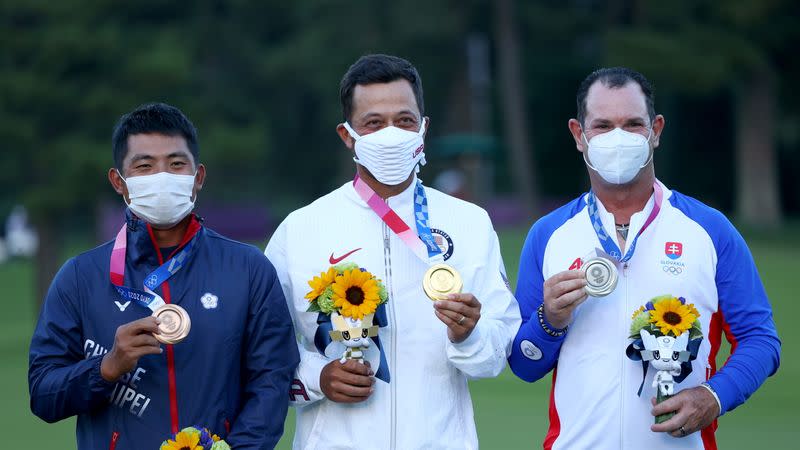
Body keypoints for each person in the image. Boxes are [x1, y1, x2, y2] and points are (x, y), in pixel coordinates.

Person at [507, 67, 781, 449]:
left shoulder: (709, 230)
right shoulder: (548, 235)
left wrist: (713, 397)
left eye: (633, 124)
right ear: (578, 135)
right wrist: (549, 321)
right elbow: (523, 365)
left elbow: (761, 340)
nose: (618, 137)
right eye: (602, 125)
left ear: (656, 131)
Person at [265, 54, 520, 449]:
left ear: (423, 129)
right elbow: (262, 349)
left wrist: (468, 334)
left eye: (404, 120)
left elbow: (495, 355)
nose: (391, 133)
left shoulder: (470, 223)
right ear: (347, 135)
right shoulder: (300, 230)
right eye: (373, 123)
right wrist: (318, 377)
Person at [29, 103, 300, 449]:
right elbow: (43, 394)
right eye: (144, 166)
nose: (162, 177)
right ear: (119, 182)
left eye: (175, 164)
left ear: (197, 177)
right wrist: (106, 368)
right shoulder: (80, 278)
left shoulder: (249, 269)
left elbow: (271, 385)